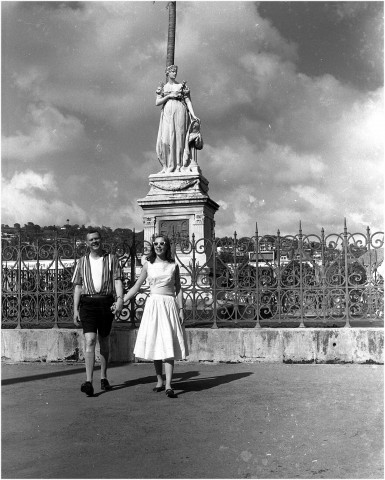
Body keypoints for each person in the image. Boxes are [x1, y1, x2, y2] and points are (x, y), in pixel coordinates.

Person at [120, 235, 187, 398]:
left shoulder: (173, 265)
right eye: (156, 244)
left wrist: (181, 308)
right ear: (153, 247)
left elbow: (178, 288)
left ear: (167, 246)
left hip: (169, 305)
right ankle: (159, 380)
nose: (159, 246)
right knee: (156, 341)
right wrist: (122, 301)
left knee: (168, 342)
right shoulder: (148, 265)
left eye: (162, 244)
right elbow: (136, 286)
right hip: (153, 305)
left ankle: (169, 384)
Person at [72, 230, 124, 396]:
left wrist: (120, 300)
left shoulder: (112, 259)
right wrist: (75, 309)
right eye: (91, 240)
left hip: (106, 303)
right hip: (87, 304)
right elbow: (78, 287)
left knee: (104, 340)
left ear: (101, 240)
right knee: (90, 340)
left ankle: (103, 376)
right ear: (87, 243)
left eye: (97, 239)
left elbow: (117, 281)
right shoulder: (81, 262)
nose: (94, 242)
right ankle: (88, 381)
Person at [156, 64, 200, 173]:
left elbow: (188, 101)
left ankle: (178, 165)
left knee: (179, 138)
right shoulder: (163, 87)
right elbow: (157, 102)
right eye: (172, 71)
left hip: (180, 111)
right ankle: (167, 166)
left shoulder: (181, 86)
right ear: (167, 73)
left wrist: (193, 115)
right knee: (165, 140)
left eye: (175, 71)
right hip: (167, 112)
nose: (174, 73)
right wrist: (169, 96)